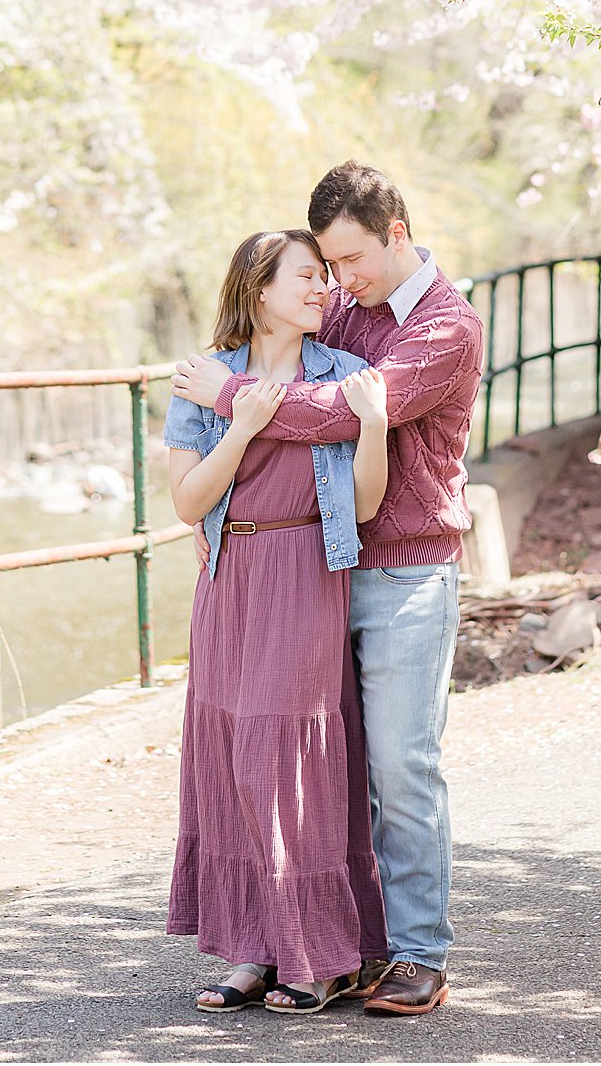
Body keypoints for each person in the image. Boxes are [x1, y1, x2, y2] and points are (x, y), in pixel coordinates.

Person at [172, 164, 484, 1016]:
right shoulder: (347, 307)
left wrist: (230, 395)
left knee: (400, 762)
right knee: (317, 763)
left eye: (352, 257)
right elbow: (296, 358)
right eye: (330, 264)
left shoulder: (446, 326)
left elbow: (332, 413)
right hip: (317, 567)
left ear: (397, 230)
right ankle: (327, 945)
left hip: (404, 569)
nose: (341, 279)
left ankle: (420, 954)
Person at [163, 228, 392, 1014]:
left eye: (326, 277)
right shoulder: (204, 376)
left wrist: (373, 426)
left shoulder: (348, 376)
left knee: (285, 755)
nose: (323, 288)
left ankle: (320, 954)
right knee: (231, 757)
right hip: (230, 576)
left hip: (304, 570)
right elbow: (188, 501)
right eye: (306, 275)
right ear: (259, 288)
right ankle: (251, 950)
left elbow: (362, 504)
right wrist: (241, 423)